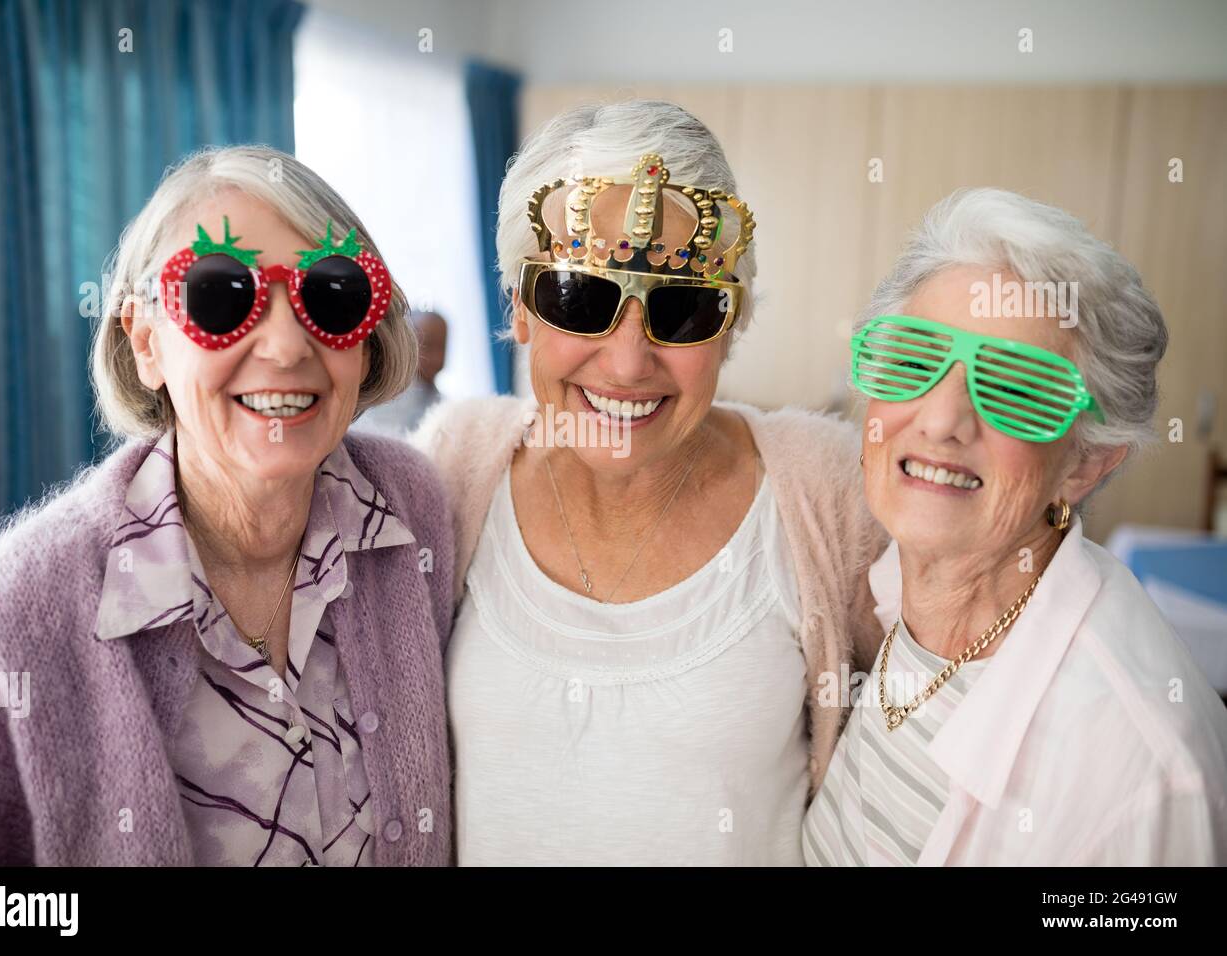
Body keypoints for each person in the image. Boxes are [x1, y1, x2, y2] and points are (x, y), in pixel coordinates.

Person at [0, 146, 454, 866]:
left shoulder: (416, 511)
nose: (285, 346)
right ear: (146, 342)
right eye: (220, 295)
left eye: (331, 295)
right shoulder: (19, 613)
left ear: (364, 342)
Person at [412, 100, 888, 865]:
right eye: (581, 296)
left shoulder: (825, 492)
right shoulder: (454, 467)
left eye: (684, 306)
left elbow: (948, 722)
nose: (629, 364)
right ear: (521, 308)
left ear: (730, 324)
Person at [803, 187, 1227, 865]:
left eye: (1017, 388)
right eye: (914, 358)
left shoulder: (1144, 771)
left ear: (1085, 463)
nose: (941, 420)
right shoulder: (892, 590)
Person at [355, 310, 447, 435]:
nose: (436, 358)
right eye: (428, 346)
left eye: (442, 347)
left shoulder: (443, 405)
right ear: (408, 346)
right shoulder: (386, 399)